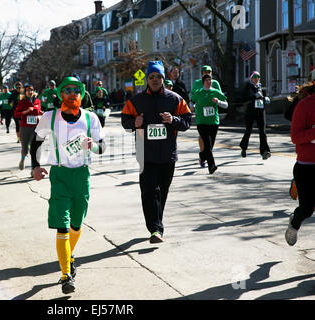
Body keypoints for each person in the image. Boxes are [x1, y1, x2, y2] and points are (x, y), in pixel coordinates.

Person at [29, 76, 105, 294]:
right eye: (68, 90)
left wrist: (93, 146)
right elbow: (36, 142)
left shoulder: (90, 118)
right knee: (62, 223)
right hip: (60, 174)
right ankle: (65, 275)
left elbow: (103, 147)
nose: (73, 93)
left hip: (82, 175)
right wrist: (35, 166)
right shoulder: (49, 117)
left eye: (77, 90)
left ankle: (69, 254)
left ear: (82, 94)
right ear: (61, 94)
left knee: (77, 223)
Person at [121, 61, 192, 243]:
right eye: (151, 77)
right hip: (146, 155)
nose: (155, 80)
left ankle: (157, 224)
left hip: (168, 155)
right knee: (149, 192)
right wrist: (133, 123)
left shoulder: (175, 99)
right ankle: (155, 229)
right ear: (147, 79)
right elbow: (125, 120)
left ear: (163, 78)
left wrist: (173, 120)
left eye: (158, 77)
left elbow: (187, 122)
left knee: (162, 192)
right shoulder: (136, 100)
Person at [284, 82, 315, 246]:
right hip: (307, 166)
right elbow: (296, 137)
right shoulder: (304, 105)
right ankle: (294, 224)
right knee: (307, 209)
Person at [191, 74, 228, 174]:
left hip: (213, 122)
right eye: (207, 80)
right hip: (201, 122)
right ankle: (212, 166)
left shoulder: (215, 92)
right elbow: (192, 101)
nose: (209, 82)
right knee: (207, 144)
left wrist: (218, 102)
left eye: (210, 80)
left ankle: (202, 156)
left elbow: (226, 105)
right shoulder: (198, 93)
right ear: (203, 82)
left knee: (209, 146)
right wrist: (193, 107)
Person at [239, 71, 271, 160]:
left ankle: (264, 152)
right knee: (248, 130)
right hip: (250, 112)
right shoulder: (248, 87)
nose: (257, 79)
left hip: (260, 111)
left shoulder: (260, 87)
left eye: (258, 77)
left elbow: (261, 97)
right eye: (255, 77)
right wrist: (254, 96)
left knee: (262, 132)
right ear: (251, 78)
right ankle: (243, 147)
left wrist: (265, 98)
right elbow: (244, 98)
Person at [14, 84, 42, 174]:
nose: (30, 92)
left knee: (33, 148)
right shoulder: (22, 102)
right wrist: (26, 111)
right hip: (25, 127)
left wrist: (39, 112)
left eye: (31, 90)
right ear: (25, 92)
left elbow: (37, 111)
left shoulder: (37, 100)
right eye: (28, 90)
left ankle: (33, 170)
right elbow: (16, 114)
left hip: (35, 127)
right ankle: (22, 159)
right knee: (25, 148)